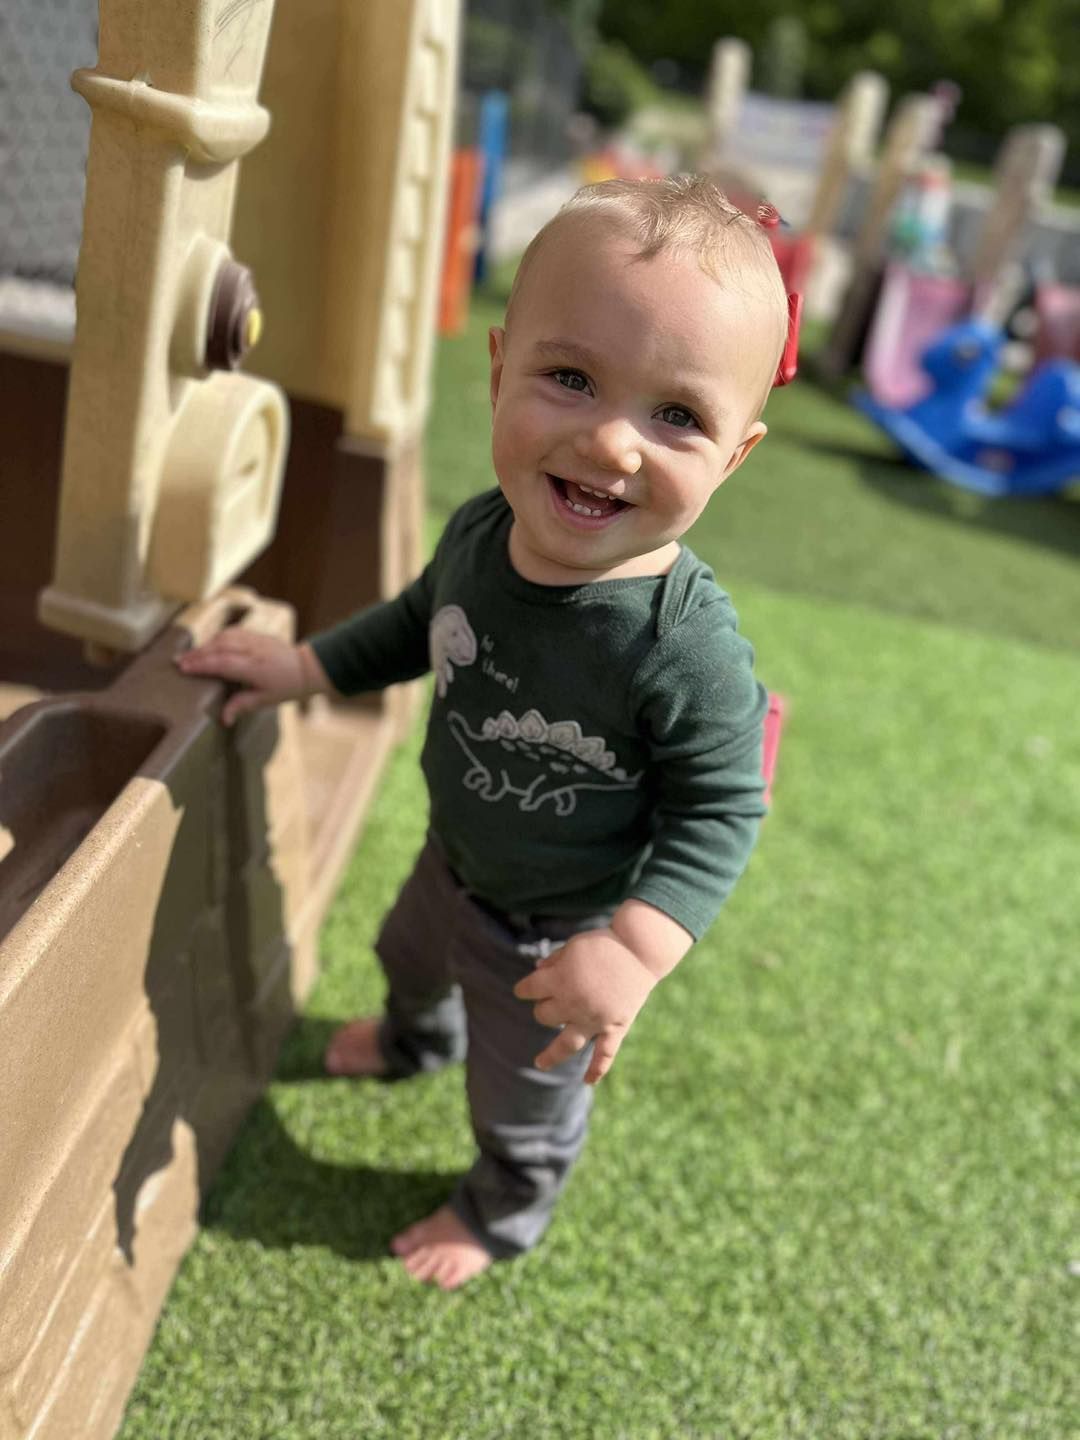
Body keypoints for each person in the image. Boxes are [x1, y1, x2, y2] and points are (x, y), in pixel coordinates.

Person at [176, 175, 792, 1291]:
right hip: (454, 855)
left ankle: (508, 1203)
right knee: (404, 961)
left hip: (563, 933)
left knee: (526, 1095)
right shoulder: (481, 529)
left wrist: (635, 951)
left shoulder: (679, 645)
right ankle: (416, 1039)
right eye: (570, 377)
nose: (611, 443)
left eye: (676, 415)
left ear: (736, 454)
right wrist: (305, 665)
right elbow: (423, 624)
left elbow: (724, 801)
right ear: (499, 365)